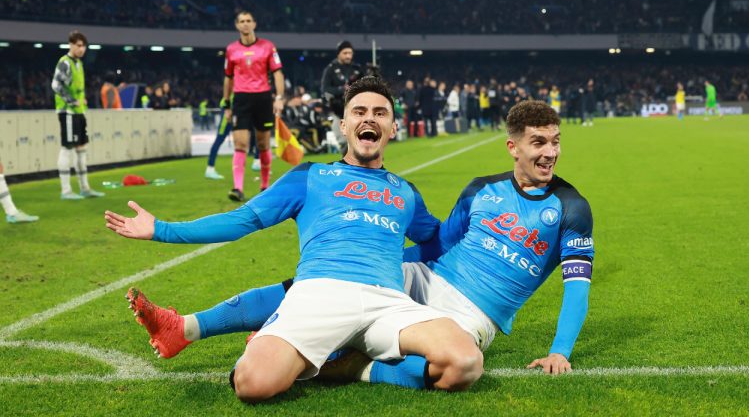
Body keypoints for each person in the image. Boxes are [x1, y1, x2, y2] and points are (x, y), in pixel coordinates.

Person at [120, 100, 593, 389]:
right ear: (514, 147)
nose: (548, 152)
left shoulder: (572, 209)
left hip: (473, 312)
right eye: (537, 142)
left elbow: (576, 286)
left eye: (554, 142)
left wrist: (561, 350)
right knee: (331, 281)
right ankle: (189, 326)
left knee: (457, 367)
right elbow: (439, 244)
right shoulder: (479, 190)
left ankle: (344, 368)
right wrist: (377, 263)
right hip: (424, 278)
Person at [106, 76, 483, 402]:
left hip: (389, 302)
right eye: (359, 111)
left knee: (464, 363)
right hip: (319, 294)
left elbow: (436, 241)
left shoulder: (406, 192)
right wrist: (162, 230)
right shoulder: (311, 175)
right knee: (253, 385)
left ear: (393, 128)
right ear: (344, 125)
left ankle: (353, 367)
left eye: (380, 113)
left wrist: (478, 213)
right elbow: (243, 220)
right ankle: (275, 340)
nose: (370, 118)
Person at [221, 11, 285, 201]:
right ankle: (238, 188)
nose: (246, 24)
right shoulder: (231, 49)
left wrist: (279, 97)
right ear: (237, 25)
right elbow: (228, 78)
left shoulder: (268, 47)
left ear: (254, 24)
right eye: (242, 21)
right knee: (240, 144)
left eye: (249, 21)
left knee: (263, 143)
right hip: (241, 99)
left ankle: (265, 187)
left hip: (263, 98)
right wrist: (226, 103)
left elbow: (278, 73)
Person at [50, 30, 105, 200]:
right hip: (68, 112)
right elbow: (56, 85)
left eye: (84, 46)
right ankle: (66, 191)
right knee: (67, 148)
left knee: (82, 149)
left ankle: (85, 188)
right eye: (79, 46)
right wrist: (72, 100)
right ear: (71, 45)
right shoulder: (65, 62)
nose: (82, 49)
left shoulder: (78, 64)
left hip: (79, 112)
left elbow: (76, 86)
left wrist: (82, 100)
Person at [321, 40, 363, 148]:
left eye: (350, 53)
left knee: (363, 142)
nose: (348, 56)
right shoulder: (330, 69)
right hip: (338, 111)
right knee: (345, 144)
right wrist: (341, 90)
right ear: (338, 53)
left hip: (357, 111)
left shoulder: (357, 69)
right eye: (345, 53)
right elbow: (325, 90)